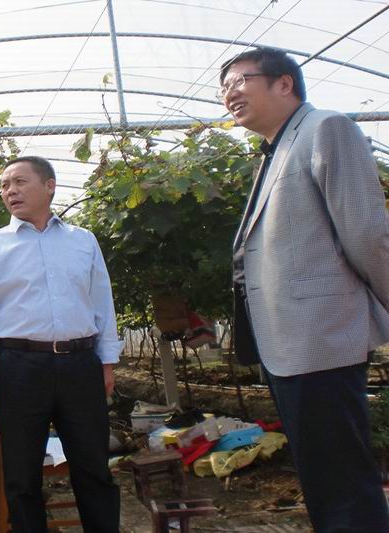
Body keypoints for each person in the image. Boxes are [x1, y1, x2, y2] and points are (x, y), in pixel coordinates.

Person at [222, 47, 389, 532]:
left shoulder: (326, 128)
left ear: (284, 83)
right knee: (323, 477)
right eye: (224, 87)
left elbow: (366, 233)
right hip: (290, 344)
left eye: (240, 80)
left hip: (321, 338)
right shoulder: (278, 148)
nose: (229, 93)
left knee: (341, 481)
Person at [0, 156, 122, 532]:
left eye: (20, 181)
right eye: (4, 185)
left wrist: (107, 362)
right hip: (18, 366)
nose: (10, 191)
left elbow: (102, 302)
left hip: (80, 363)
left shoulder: (83, 241)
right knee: (21, 476)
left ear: (49, 186)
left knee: (94, 468)